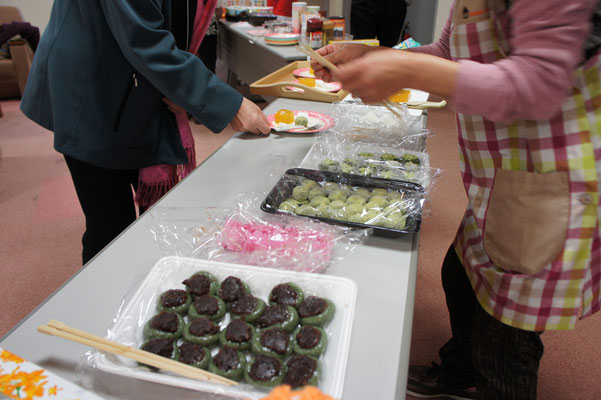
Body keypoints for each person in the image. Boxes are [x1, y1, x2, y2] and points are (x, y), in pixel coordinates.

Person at [312, 0, 601, 399]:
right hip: (502, 176)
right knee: (461, 273)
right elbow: (450, 52)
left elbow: (539, 86)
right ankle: (459, 372)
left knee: (505, 334)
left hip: (549, 181)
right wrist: (378, 56)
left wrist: (405, 70)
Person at [21, 0, 272, 265]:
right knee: (110, 230)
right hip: (93, 92)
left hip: (132, 83)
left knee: (156, 221)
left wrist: (181, 88)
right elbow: (145, 41)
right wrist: (230, 104)